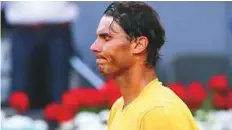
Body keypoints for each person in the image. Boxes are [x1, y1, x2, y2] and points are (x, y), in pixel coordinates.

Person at [90, 2, 199, 130]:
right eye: (97, 38)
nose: (94, 47)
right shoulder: (118, 107)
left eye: (106, 38)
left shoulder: (158, 111)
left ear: (138, 45)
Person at [3, 1, 78, 108]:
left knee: (59, 87)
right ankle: (18, 121)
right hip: (21, 29)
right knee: (20, 86)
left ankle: (61, 120)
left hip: (58, 28)